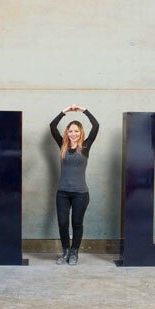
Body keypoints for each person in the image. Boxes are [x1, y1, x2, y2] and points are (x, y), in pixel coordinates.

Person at [49, 104, 99, 265]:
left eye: (76, 131)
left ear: (81, 133)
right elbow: (52, 126)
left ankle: (74, 252)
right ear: (67, 133)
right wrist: (65, 111)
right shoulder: (62, 146)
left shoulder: (85, 147)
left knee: (77, 223)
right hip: (62, 193)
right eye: (70, 131)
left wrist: (83, 110)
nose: (73, 134)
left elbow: (96, 125)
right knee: (63, 223)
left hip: (80, 194)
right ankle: (65, 251)